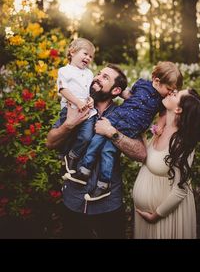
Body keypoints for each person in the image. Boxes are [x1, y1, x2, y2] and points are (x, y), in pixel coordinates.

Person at [46, 64, 147, 239]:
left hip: (109, 205)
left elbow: (141, 153)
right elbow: (50, 142)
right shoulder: (75, 106)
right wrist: (69, 125)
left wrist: (112, 133)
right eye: (99, 74)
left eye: (105, 78)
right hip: (73, 202)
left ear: (116, 90)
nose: (97, 77)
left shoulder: (123, 115)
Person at [64, 62, 183, 202]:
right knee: (96, 139)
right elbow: (128, 94)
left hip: (132, 127)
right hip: (118, 117)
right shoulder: (142, 84)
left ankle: (103, 184)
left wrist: (160, 126)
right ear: (157, 81)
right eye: (169, 88)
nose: (170, 92)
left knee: (108, 151)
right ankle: (84, 169)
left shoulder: (163, 100)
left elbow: (162, 115)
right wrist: (116, 90)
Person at [132, 88, 200, 239]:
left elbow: (180, 189)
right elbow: (150, 158)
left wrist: (157, 215)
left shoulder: (182, 143)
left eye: (175, 94)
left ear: (178, 109)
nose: (171, 92)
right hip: (145, 214)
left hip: (163, 217)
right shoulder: (162, 126)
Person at [56, 38, 97, 173]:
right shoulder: (64, 71)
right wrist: (77, 102)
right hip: (70, 109)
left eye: (90, 56)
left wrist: (91, 99)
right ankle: (62, 156)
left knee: (86, 136)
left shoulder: (89, 73)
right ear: (72, 52)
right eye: (85, 54)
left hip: (86, 111)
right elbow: (62, 89)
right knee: (68, 134)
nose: (88, 58)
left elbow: (88, 91)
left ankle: (73, 155)